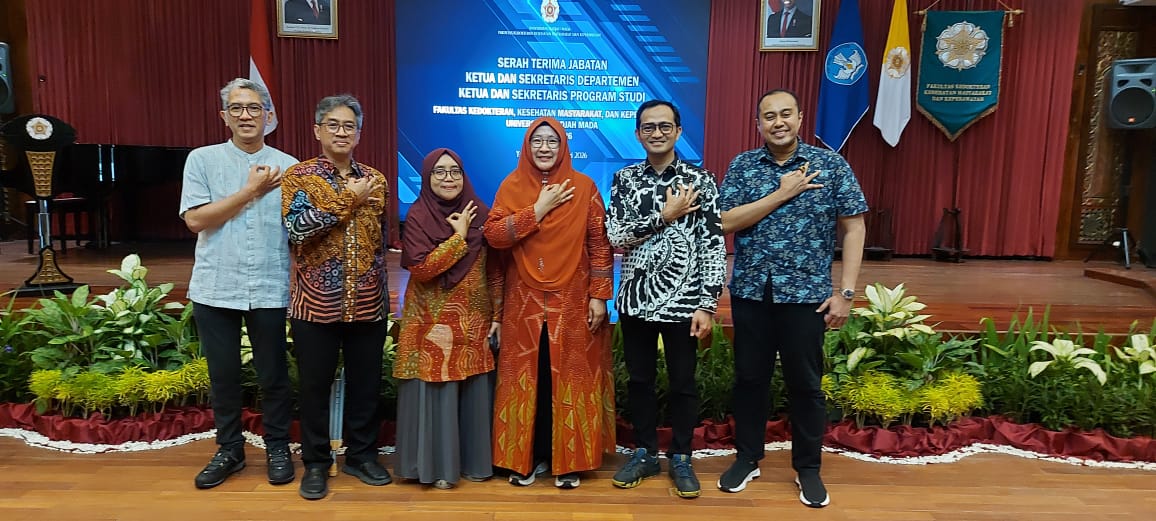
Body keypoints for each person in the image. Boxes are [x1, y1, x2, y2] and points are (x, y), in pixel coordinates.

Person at [716, 88, 867, 508]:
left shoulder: (830, 165)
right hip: (752, 292)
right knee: (750, 380)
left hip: (806, 296)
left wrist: (846, 293)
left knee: (805, 384)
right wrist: (781, 193)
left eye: (786, 114)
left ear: (800, 119)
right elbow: (725, 220)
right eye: (769, 116)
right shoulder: (743, 166)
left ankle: (808, 468)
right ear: (758, 124)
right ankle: (747, 458)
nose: (778, 122)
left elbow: (854, 227)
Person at [483, 117, 616, 490]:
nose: (544, 148)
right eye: (537, 141)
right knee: (530, 376)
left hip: (573, 300)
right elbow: (494, 236)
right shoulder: (511, 186)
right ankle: (524, 459)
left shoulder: (584, 187)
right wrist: (537, 210)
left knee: (568, 375)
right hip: (523, 302)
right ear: (527, 146)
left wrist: (599, 295)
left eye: (552, 141)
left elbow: (599, 244)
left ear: (563, 147)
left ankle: (568, 461)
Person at [179, 77, 297, 490]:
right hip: (216, 284)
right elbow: (196, 220)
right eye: (237, 108)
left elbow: (299, 230)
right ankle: (229, 450)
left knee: (273, 374)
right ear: (224, 116)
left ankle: (278, 447)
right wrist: (250, 191)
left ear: (269, 116)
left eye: (254, 108)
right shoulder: (202, 160)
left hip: (269, 283)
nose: (246, 116)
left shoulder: (290, 166)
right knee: (224, 375)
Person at [606, 100, 725, 499]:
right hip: (636, 300)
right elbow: (615, 236)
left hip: (684, 303)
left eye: (664, 126)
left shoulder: (700, 180)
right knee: (639, 380)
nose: (656, 133)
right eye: (648, 127)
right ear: (638, 134)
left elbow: (712, 244)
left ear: (677, 131)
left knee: (683, 383)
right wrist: (664, 215)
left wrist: (707, 303)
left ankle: (681, 456)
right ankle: (644, 452)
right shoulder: (624, 180)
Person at [282, 94, 391, 500]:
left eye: (349, 126)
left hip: (367, 302)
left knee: (366, 386)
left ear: (359, 134)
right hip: (315, 304)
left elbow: (381, 242)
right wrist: (348, 200)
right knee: (314, 388)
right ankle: (315, 463)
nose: (341, 132)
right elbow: (298, 229)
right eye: (333, 124)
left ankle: (362, 456)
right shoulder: (299, 176)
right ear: (317, 130)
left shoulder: (376, 179)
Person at [393, 148, 503, 490]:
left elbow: (495, 269)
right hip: (430, 324)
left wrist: (498, 314)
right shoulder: (417, 216)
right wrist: (459, 238)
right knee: (435, 390)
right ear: (427, 178)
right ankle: (434, 466)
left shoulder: (480, 213)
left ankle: (472, 462)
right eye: (439, 172)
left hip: (473, 320)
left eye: (455, 171)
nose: (448, 178)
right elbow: (423, 269)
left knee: (472, 389)